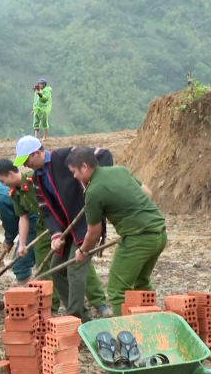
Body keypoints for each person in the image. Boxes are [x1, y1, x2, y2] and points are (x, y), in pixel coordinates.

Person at [14, 136, 111, 323]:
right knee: (56, 270)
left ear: (37, 153)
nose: (26, 165)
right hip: (66, 229)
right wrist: (56, 235)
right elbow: (47, 211)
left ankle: (73, 318)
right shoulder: (37, 178)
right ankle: (81, 316)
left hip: (85, 224)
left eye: (27, 160)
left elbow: (103, 154)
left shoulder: (65, 156)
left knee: (75, 268)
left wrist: (95, 186)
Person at [66, 147, 167, 316]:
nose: (74, 176)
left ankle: (126, 337)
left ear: (84, 166)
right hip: (160, 233)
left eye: (74, 172)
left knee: (117, 290)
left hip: (138, 239)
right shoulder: (120, 170)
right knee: (141, 283)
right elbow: (147, 193)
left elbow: (94, 233)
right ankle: (151, 323)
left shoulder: (92, 191)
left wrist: (83, 251)